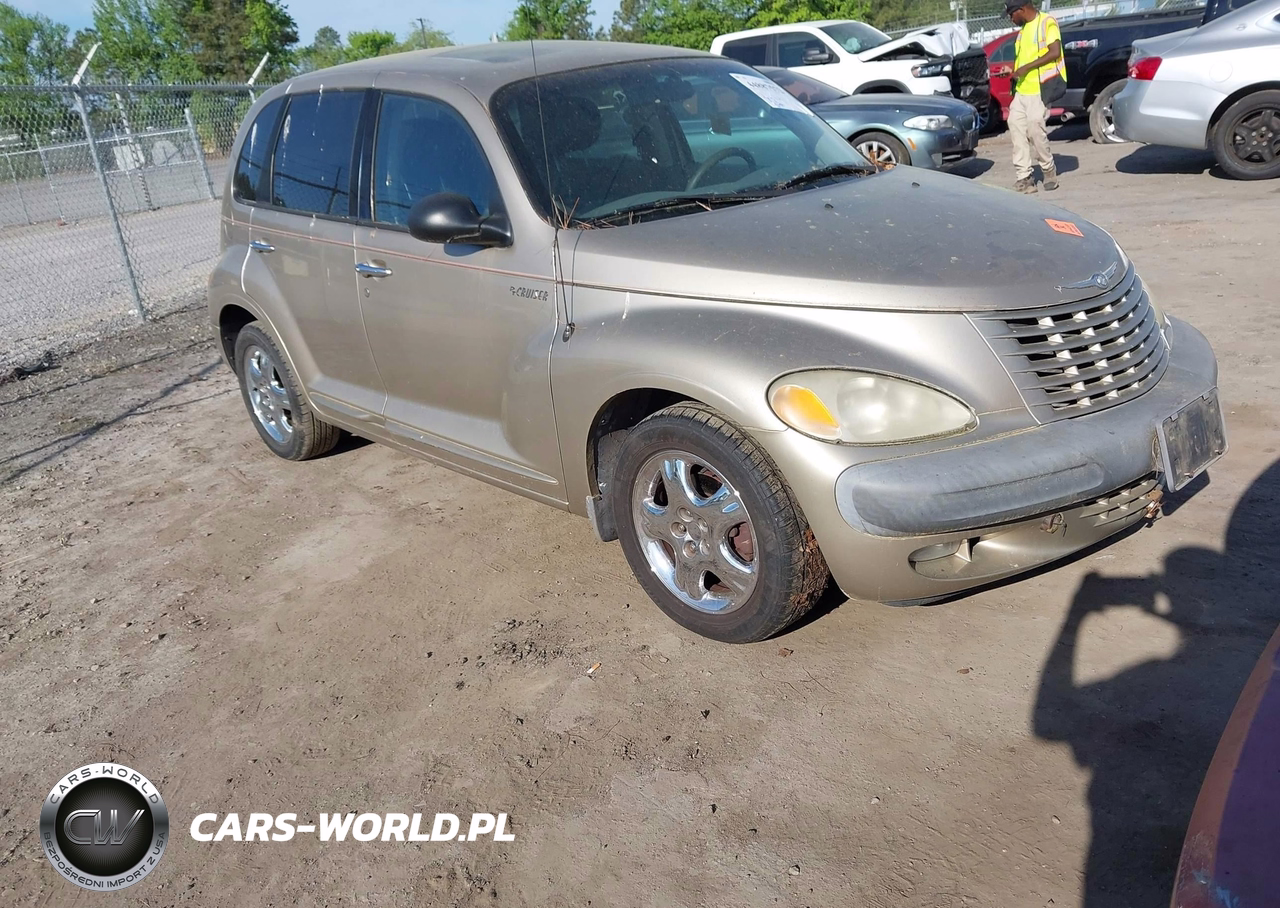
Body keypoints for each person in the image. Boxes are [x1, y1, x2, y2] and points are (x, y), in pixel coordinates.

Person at [1006, 0, 1065, 193]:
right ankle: (1024, 177)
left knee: (1035, 130)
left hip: (1039, 90)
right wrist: (1014, 70)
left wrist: (1025, 68)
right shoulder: (1022, 32)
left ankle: (1048, 170)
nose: (1010, 18)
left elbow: (1054, 52)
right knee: (1016, 128)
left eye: (1011, 14)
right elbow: (1024, 59)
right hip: (1021, 91)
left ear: (1021, 9)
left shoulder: (1047, 22)